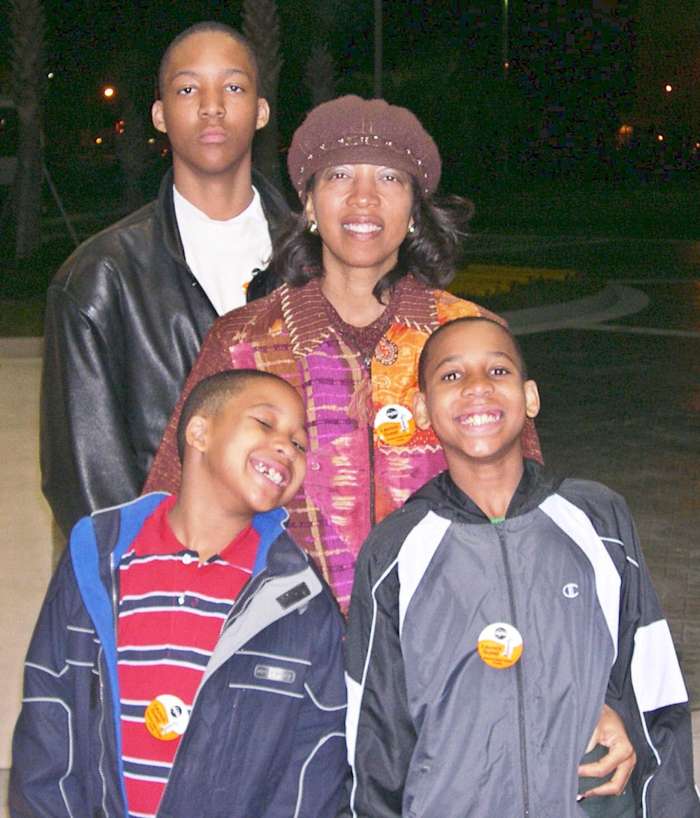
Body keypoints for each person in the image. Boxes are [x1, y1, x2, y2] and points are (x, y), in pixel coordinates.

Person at [144, 95, 635, 782]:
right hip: (278, 674)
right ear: (308, 202)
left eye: (390, 178)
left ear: (414, 210)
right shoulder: (245, 341)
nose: (364, 198)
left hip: (451, 677)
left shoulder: (468, 341)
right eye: (340, 175)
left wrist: (589, 690)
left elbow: (530, 536)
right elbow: (173, 509)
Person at [344, 316, 699, 818]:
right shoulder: (394, 551)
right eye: (451, 375)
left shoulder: (597, 519)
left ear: (530, 397)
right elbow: (375, 732)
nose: (477, 387)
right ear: (421, 408)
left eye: (498, 371)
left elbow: (651, 683)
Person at [11, 369, 348, 818]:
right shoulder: (99, 557)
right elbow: (48, 718)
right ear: (199, 432)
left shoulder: (300, 599)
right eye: (265, 423)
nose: (287, 446)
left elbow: (316, 762)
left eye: (300, 443)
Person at [41, 21, 289, 537]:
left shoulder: (313, 260)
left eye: (233, 87)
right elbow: (87, 485)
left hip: (301, 572)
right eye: (188, 89)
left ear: (261, 110)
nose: (212, 106)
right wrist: (161, 572)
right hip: (164, 573)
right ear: (160, 115)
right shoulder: (99, 279)